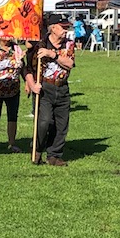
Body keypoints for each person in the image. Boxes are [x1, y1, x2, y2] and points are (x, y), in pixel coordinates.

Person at [26, 13, 76, 166]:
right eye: (63, 27)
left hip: (62, 87)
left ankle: (54, 155)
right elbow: (27, 68)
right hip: (44, 88)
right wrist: (32, 84)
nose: (66, 30)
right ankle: (37, 149)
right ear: (53, 28)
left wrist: (53, 55)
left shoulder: (68, 44)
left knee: (61, 125)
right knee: (44, 122)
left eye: (67, 27)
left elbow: (70, 64)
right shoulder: (40, 45)